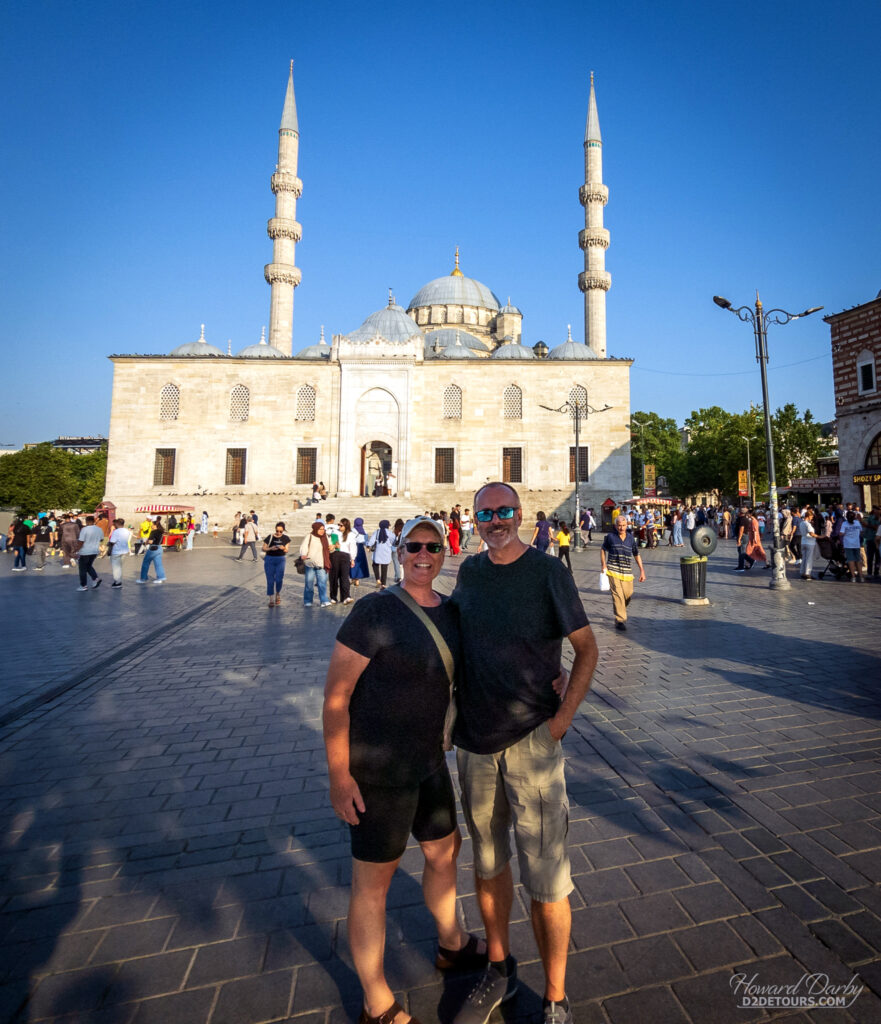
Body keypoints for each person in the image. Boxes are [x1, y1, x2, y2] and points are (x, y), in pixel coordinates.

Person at [324, 516, 486, 1024]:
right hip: (378, 770)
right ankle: (376, 1000)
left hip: (428, 763)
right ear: (398, 551)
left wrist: (556, 670)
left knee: (443, 853)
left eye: (432, 547)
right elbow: (336, 697)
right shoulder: (374, 611)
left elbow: (490, 661)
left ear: (444, 553)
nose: (423, 555)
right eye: (413, 546)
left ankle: (451, 941)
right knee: (373, 884)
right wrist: (339, 775)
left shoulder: (451, 613)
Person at [450, 483, 598, 1024]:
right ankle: (498, 967)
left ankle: (555, 996)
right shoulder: (469, 571)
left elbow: (586, 647)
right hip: (475, 744)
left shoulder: (547, 571)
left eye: (504, 511)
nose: (496, 521)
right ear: (474, 520)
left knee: (547, 876)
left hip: (532, 741)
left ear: (519, 513)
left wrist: (559, 723)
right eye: (485, 513)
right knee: (488, 863)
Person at [600, 514, 646, 631]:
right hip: (613, 570)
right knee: (618, 596)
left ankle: (619, 608)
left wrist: (642, 570)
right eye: (619, 526)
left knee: (628, 594)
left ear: (627, 525)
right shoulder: (610, 537)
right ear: (616, 526)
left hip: (627, 572)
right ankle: (620, 620)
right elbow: (603, 549)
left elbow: (636, 554)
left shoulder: (630, 538)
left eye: (624, 525)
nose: (621, 528)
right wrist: (604, 565)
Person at [300, 521, 332, 606]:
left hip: (321, 564)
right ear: (315, 529)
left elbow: (330, 548)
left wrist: (332, 547)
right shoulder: (309, 536)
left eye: (323, 529)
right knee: (309, 584)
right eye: (320, 529)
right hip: (310, 563)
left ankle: (324, 600)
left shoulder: (326, 537)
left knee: (322, 583)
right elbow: (304, 547)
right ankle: (308, 601)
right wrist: (303, 554)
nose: (322, 531)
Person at [262, 521, 290, 606]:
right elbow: (264, 548)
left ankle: (278, 593)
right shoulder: (270, 537)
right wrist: (270, 548)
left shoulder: (286, 538)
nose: (278, 533)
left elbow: (287, 550)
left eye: (280, 531)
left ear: (283, 530)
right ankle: (271, 599)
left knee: (279, 579)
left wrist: (283, 547)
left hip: (280, 559)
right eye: (277, 530)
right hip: (269, 559)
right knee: (270, 580)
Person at [76, 515, 104, 591]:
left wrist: (77, 550)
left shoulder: (84, 529)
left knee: (82, 569)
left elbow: (81, 541)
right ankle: (95, 579)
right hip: (94, 551)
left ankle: (83, 585)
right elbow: (101, 539)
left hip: (85, 551)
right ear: (94, 521)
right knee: (88, 566)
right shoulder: (99, 529)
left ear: (87, 521)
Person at [138, 517, 166, 584]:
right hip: (159, 548)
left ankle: (143, 578)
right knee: (158, 564)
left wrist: (146, 542)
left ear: (155, 525)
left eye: (152, 525)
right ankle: (161, 578)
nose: (151, 526)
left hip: (153, 548)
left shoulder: (153, 532)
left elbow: (150, 541)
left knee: (146, 562)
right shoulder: (161, 531)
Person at [367, 519, 394, 589]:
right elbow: (394, 541)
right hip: (386, 552)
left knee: (375, 565)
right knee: (384, 567)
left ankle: (378, 579)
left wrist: (368, 546)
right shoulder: (390, 533)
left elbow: (372, 540)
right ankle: (383, 584)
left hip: (378, 552)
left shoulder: (377, 532)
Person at [108, 518, 133, 588]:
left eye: (115, 523)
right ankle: (118, 580)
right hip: (124, 551)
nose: (114, 525)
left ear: (118, 523)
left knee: (116, 568)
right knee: (120, 567)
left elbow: (112, 542)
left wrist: (109, 550)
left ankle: (117, 582)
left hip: (116, 551)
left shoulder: (116, 531)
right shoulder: (127, 531)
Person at [840, 510, 864, 582]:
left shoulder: (844, 523)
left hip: (848, 544)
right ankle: (861, 576)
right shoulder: (857, 523)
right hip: (856, 543)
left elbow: (841, 533)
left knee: (850, 560)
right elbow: (861, 531)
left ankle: (853, 576)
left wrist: (845, 534)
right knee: (858, 560)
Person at [798, 509, 818, 580]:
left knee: (804, 558)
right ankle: (807, 573)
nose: (812, 518)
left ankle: (802, 572)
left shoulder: (801, 523)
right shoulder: (808, 524)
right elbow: (811, 533)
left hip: (803, 541)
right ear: (809, 516)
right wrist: (819, 536)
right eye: (811, 516)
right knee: (809, 559)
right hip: (810, 542)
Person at [350, 517, 370, 587]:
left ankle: (353, 577)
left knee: (352, 562)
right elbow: (366, 542)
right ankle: (357, 579)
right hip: (360, 548)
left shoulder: (352, 530)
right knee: (359, 564)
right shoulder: (364, 532)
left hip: (353, 547)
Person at [389, 519, 404, 583]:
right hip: (403, 548)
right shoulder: (405, 530)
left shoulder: (396, 530)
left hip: (396, 548)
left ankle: (398, 576)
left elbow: (393, 540)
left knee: (396, 563)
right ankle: (402, 576)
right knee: (402, 563)